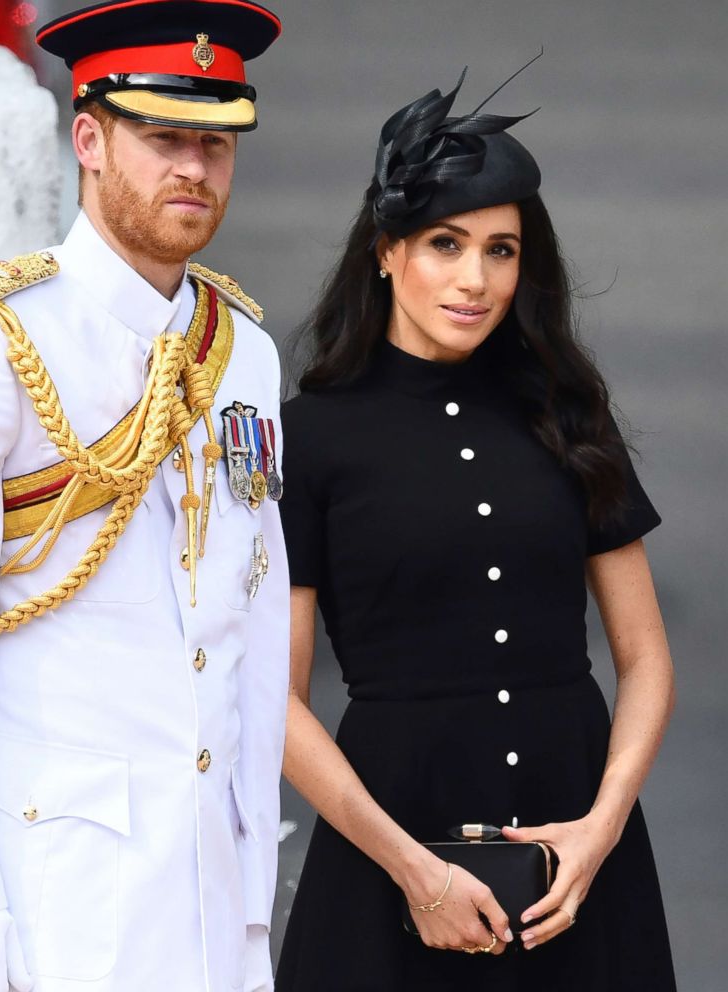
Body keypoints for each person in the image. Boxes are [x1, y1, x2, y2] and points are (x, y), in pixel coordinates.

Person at [0, 2, 289, 990]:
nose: (194, 167)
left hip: (213, 909)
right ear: (87, 139)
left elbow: (253, 634)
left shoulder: (242, 356)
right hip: (47, 908)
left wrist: (253, 894)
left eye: (216, 142)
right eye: (163, 135)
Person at [274, 66, 676, 991]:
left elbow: (646, 659)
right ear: (384, 250)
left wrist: (600, 828)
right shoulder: (312, 435)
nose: (475, 278)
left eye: (501, 250)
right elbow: (276, 701)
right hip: (390, 855)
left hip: (579, 861)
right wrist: (413, 871)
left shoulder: (570, 412)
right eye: (445, 244)